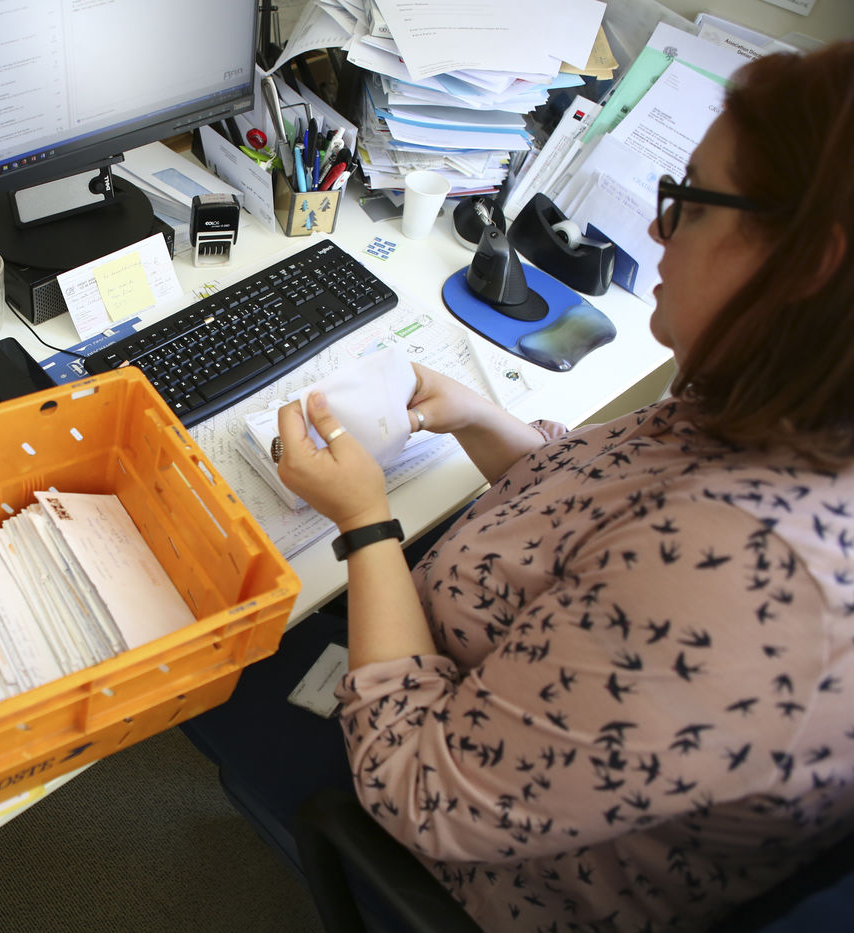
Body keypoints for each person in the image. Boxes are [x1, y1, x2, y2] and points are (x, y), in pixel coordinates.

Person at [273, 42, 854, 931]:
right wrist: (482, 420)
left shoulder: (746, 578)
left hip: (473, 842)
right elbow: (602, 502)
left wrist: (365, 523)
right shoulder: (773, 401)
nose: (658, 231)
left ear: (809, 263)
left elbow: (423, 786)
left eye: (693, 201)